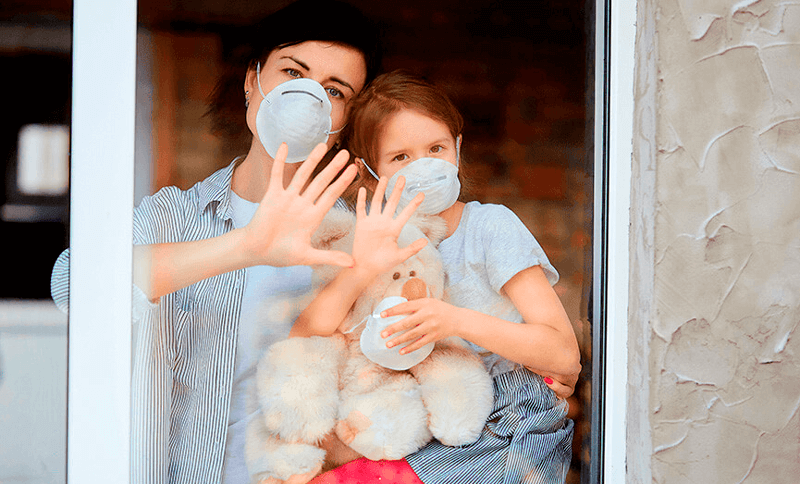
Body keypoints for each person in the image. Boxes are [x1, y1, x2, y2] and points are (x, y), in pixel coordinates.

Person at [49, 1, 386, 482]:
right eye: (293, 71)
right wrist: (246, 246)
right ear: (253, 81)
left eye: (335, 91)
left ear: (345, 117)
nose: (308, 97)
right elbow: (72, 287)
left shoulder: (364, 236)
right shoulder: (174, 217)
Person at [290, 71, 582, 484]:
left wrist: (452, 320)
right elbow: (306, 336)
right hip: (419, 423)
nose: (424, 166)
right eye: (401, 157)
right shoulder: (367, 239)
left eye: (436, 148)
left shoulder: (489, 227)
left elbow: (564, 355)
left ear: (458, 149)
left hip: (505, 428)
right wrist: (364, 265)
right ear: (368, 174)